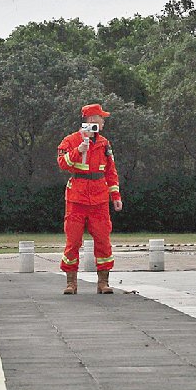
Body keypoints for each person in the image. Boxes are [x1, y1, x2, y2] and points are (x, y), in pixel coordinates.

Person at [56, 103, 123, 294]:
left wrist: (115, 195)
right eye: (101, 118)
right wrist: (79, 149)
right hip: (76, 199)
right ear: (92, 119)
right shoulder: (70, 140)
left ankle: (103, 282)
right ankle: (71, 283)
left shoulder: (104, 143)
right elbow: (63, 163)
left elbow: (110, 171)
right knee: (73, 241)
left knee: (103, 240)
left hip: (99, 199)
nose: (103, 122)